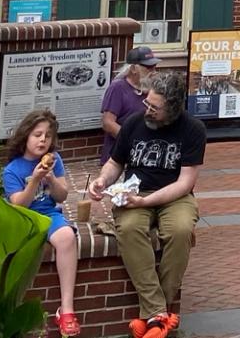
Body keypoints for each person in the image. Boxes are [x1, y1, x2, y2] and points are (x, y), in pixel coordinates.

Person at [89, 70, 204, 337]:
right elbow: (116, 162)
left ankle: (153, 315)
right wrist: (102, 181)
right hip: (133, 191)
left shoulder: (193, 129)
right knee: (129, 230)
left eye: (155, 107)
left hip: (174, 195)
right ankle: (159, 314)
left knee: (180, 231)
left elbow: (185, 183)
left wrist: (146, 201)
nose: (148, 110)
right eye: (147, 103)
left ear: (174, 109)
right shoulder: (133, 122)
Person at [1, 110, 80, 335]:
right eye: (37, 134)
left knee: (66, 237)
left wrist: (51, 179)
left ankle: (66, 309)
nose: (43, 140)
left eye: (47, 135)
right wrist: (34, 180)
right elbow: (18, 206)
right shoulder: (12, 170)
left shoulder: (55, 161)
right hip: (24, 219)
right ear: (26, 136)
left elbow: (62, 196)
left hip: (48, 214)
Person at [101, 46, 159, 162]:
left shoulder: (152, 88)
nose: (153, 72)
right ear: (133, 69)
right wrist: (132, 141)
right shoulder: (118, 88)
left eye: (154, 67)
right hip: (120, 156)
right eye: (148, 68)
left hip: (145, 155)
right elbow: (107, 123)